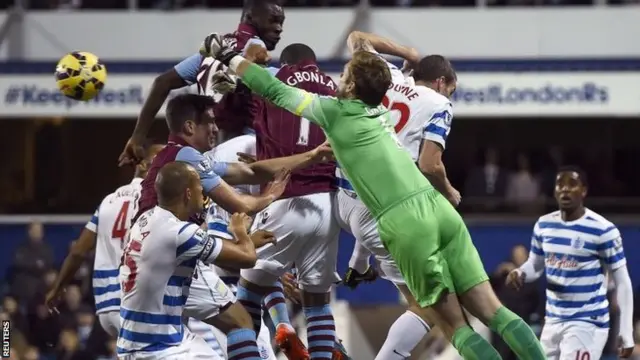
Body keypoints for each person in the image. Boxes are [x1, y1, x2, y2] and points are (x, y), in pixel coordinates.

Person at [200, 33, 548, 360]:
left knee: (453, 325)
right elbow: (365, 56)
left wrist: (230, 56)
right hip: (438, 208)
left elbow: (273, 90)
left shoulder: (334, 111)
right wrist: (410, 56)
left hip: (404, 222)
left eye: (345, 74)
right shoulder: (380, 103)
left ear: (350, 84)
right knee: (496, 312)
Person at [132, 93, 332, 355]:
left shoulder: (181, 157)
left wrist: (312, 156)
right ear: (191, 127)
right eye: (209, 122)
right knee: (241, 319)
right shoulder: (188, 159)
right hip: (171, 250)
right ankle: (284, 323)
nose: (215, 128)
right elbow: (241, 206)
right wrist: (269, 197)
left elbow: (250, 171)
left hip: (144, 247)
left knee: (154, 340)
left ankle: (281, 322)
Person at [334, 30, 460, 360]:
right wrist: (449, 192)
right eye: (452, 90)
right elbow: (430, 165)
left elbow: (357, 38)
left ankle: (358, 262)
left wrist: (408, 51)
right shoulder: (439, 103)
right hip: (379, 211)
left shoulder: (387, 75)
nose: (451, 96)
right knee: (428, 307)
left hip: (343, 194)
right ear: (441, 82)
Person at [226, 42, 343, 360]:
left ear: (286, 62)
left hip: (286, 197)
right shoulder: (336, 88)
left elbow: (256, 122)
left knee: (246, 300)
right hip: (328, 205)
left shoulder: (274, 81)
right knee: (318, 303)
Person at [118, 161, 274, 360]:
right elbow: (248, 258)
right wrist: (240, 231)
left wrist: (247, 242)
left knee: (239, 319)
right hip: (157, 349)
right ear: (188, 193)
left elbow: (197, 247)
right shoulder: (179, 232)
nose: (204, 191)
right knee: (240, 320)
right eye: (200, 185)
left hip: (153, 337)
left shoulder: (146, 219)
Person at [118, 0, 285, 166]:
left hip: (214, 150)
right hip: (246, 151)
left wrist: (137, 137)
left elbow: (162, 82)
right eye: (273, 20)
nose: (279, 28)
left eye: (281, 22)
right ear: (250, 17)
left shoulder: (213, 51)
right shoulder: (256, 47)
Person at [506, 166, 634, 359]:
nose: (565, 189)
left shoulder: (603, 230)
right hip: (552, 321)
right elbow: (536, 264)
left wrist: (626, 330)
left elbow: (622, 281)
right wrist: (521, 272)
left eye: (572, 184)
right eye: (560, 184)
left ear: (584, 190)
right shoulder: (544, 225)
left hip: (587, 323)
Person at [44, 143, 163, 337]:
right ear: (142, 165)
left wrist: (58, 288)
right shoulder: (155, 200)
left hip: (106, 309)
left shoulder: (108, 200)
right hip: (135, 304)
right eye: (162, 161)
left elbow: (78, 251)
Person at [201, 133, 277, 360]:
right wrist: (245, 240)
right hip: (222, 295)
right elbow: (222, 260)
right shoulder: (228, 197)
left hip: (231, 294)